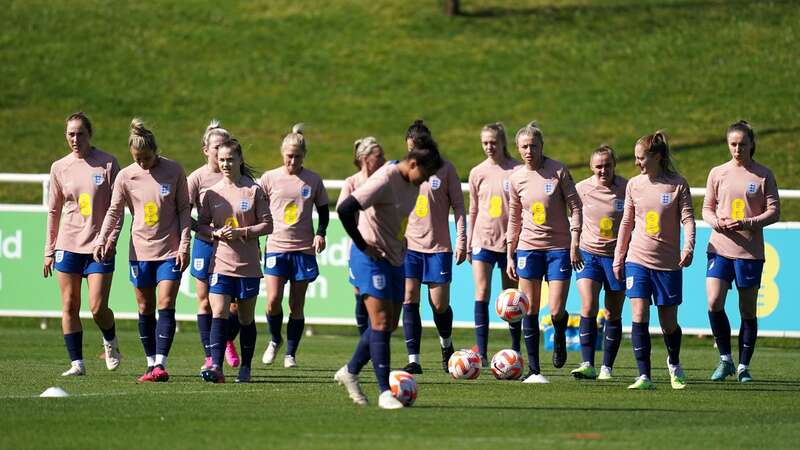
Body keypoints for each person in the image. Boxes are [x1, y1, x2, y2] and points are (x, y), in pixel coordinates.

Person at [334, 139, 443, 409]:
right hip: (371, 259)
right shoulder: (385, 178)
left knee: (390, 323)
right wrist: (362, 245)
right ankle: (385, 392)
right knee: (381, 322)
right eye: (426, 174)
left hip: (395, 258)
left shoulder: (413, 183)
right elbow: (346, 209)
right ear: (414, 163)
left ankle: (350, 371)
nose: (426, 181)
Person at [93, 118, 191, 382]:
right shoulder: (126, 176)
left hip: (170, 250)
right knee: (145, 305)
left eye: (146, 157)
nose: (143, 163)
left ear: (155, 150)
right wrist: (102, 239)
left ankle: (161, 363)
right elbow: (114, 211)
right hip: (140, 251)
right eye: (137, 158)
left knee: (166, 302)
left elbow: (184, 209)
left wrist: (184, 245)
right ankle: (150, 364)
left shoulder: (174, 171)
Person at [612, 131, 695, 390]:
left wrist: (688, 247)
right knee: (638, 313)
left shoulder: (677, 184)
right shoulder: (634, 185)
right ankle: (644, 375)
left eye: (641, 158)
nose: (637, 163)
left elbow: (688, 219)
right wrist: (619, 256)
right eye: (636, 158)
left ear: (657, 157)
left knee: (668, 323)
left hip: (668, 263)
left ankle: (674, 363)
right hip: (637, 258)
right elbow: (627, 221)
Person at [44, 112, 122, 376]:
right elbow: (54, 211)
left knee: (98, 308)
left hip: (99, 247)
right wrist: (49, 251)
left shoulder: (108, 164)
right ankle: (77, 363)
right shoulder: (59, 167)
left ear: (90, 134)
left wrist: (110, 240)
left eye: (80, 133)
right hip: (68, 244)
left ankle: (110, 341)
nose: (75, 139)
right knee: (69, 305)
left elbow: (117, 207)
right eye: (70, 134)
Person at [703, 120, 779, 383]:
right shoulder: (718, 173)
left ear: (751, 144)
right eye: (733, 144)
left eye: (742, 144)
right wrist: (717, 222)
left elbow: (774, 211)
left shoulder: (763, 175)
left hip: (749, 252)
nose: (737, 149)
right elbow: (707, 209)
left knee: (747, 310)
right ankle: (725, 360)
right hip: (719, 248)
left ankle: (744, 366)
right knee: (714, 301)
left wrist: (749, 223)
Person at [506, 121, 582, 384]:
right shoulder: (515, 178)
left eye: (534, 146)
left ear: (541, 147)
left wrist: (574, 242)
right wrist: (510, 252)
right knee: (530, 309)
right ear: (518, 149)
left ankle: (559, 333)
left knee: (557, 308)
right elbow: (514, 218)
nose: (529, 150)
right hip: (528, 248)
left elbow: (576, 206)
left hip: (559, 249)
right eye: (524, 146)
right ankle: (535, 369)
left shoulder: (558, 170)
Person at [199, 138, 273, 383]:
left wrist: (242, 232)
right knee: (218, 313)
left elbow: (268, 225)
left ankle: (246, 368)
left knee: (245, 319)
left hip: (248, 265)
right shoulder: (211, 193)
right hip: (220, 263)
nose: (226, 164)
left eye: (230, 159)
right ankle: (216, 367)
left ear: (240, 159)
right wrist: (214, 233)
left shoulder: (253, 190)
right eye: (221, 159)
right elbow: (200, 225)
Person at [259, 124, 329, 368]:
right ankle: (275, 339)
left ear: (304, 155)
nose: (293, 160)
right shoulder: (269, 178)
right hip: (276, 246)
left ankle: (290, 353)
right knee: (272, 300)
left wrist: (320, 233)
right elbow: (259, 209)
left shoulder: (312, 180)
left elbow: (323, 211)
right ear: (282, 154)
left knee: (296, 306)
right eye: (289, 156)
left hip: (302, 249)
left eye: (298, 156)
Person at [401, 121, 466, 374]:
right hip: (409, 246)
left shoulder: (445, 169)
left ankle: (446, 345)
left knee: (439, 305)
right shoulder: (405, 169)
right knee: (409, 299)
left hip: (438, 247)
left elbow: (459, 207)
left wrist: (461, 238)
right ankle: (414, 359)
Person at [187, 121, 242, 370]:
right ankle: (210, 355)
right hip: (205, 244)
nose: (222, 154)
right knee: (205, 301)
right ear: (205, 150)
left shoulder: (237, 175)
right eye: (216, 147)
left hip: (233, 247)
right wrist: (205, 230)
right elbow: (184, 215)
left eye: (225, 147)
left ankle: (226, 339)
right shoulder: (196, 178)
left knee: (235, 304)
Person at [467, 122, 523, 366]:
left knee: (511, 298)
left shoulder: (517, 170)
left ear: (503, 143)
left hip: (510, 243)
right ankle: (481, 351)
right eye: (485, 142)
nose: (489, 147)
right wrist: (468, 241)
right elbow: (473, 209)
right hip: (483, 240)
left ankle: (515, 350)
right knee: (481, 293)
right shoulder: (477, 172)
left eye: (493, 142)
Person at [570, 145, 627, 380]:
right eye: (598, 166)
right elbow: (573, 215)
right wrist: (573, 244)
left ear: (614, 165)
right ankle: (587, 363)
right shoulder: (582, 189)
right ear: (591, 167)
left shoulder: (627, 188)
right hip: (588, 255)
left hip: (616, 257)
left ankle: (607, 368)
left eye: (607, 165)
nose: (603, 170)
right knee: (588, 307)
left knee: (613, 313)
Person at [336, 137, 386, 335]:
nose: (383, 159)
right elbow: (342, 210)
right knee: (360, 292)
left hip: (384, 247)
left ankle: (374, 338)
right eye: (379, 156)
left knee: (380, 296)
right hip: (359, 246)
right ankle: (365, 339)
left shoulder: (385, 180)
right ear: (364, 159)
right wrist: (361, 241)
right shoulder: (353, 182)